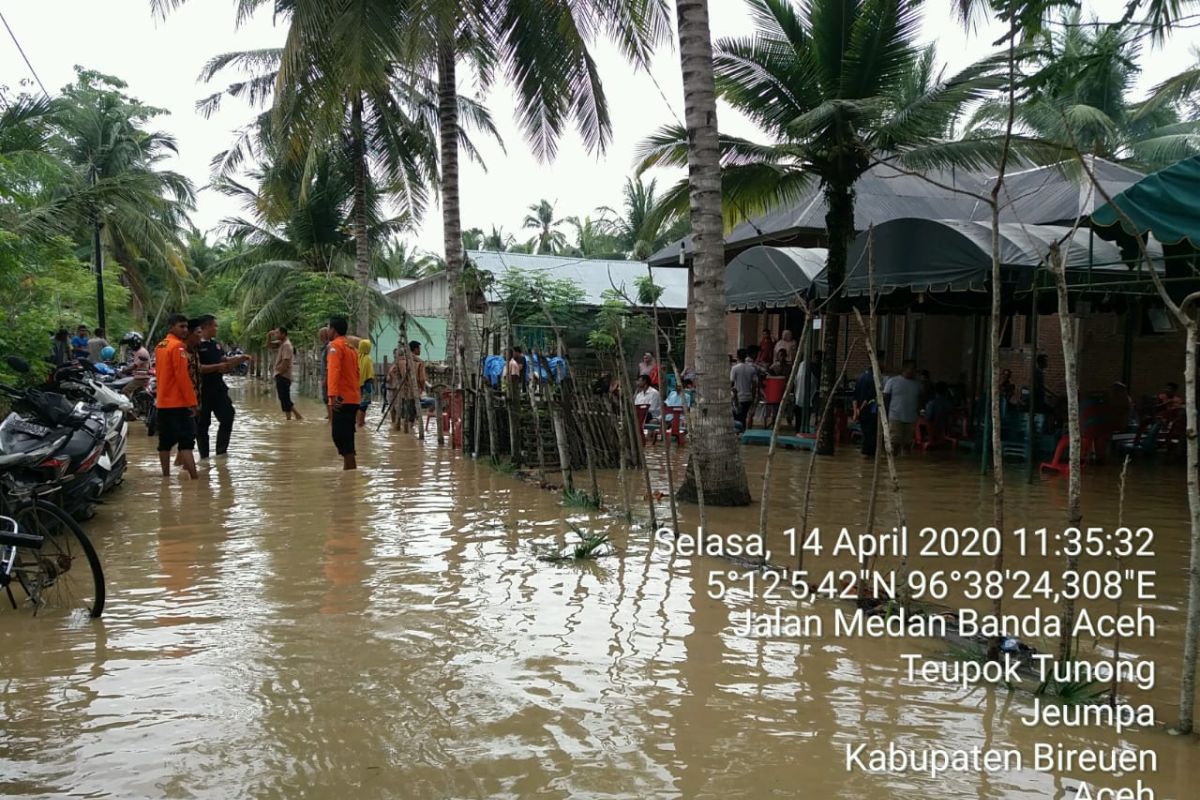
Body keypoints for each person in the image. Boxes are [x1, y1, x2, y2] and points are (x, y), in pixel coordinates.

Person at [196, 315, 249, 459]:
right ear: (206, 327)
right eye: (214, 326)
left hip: (218, 388)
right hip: (202, 390)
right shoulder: (196, 345)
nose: (216, 329)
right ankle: (204, 457)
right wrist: (217, 367)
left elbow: (224, 360)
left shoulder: (216, 344)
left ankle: (221, 452)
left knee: (228, 416)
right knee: (202, 425)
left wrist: (239, 359)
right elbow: (197, 367)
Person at [155, 314, 199, 479]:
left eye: (186, 327)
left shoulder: (160, 345)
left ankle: (165, 478)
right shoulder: (178, 347)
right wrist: (192, 402)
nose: (185, 330)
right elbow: (182, 377)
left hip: (162, 403)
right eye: (182, 326)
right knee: (186, 442)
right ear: (171, 326)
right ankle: (195, 479)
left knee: (164, 443)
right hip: (178, 403)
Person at [326, 317, 361, 470]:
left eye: (328, 328)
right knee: (347, 438)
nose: (327, 331)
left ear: (333, 330)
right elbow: (357, 373)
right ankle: (349, 475)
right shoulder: (351, 348)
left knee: (340, 436)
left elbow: (333, 371)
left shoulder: (336, 346)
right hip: (352, 398)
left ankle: (350, 472)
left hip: (341, 398)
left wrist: (332, 398)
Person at [883, 359, 922, 453]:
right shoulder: (892, 381)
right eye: (911, 368)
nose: (913, 371)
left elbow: (920, 400)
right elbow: (885, 398)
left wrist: (918, 412)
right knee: (894, 443)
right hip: (895, 416)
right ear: (904, 368)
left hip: (911, 417)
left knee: (908, 444)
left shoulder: (917, 385)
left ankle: (906, 465)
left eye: (914, 369)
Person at [272, 327, 302, 420]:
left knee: (285, 399)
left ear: (283, 334)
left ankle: (298, 416)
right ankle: (289, 418)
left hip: (283, 376)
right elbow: (269, 345)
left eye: (277, 333)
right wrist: (268, 336)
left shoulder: (286, 345)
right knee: (283, 399)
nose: (275, 335)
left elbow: (286, 361)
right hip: (282, 375)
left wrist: (279, 373)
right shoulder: (282, 344)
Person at [853, 362, 879, 456]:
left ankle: (865, 456)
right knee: (870, 436)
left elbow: (855, 396)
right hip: (870, 411)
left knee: (865, 434)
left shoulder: (861, 377)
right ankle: (868, 456)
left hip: (862, 411)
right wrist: (860, 409)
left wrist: (855, 411)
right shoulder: (873, 378)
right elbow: (868, 398)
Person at [730, 347, 758, 427]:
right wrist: (752, 397)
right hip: (748, 397)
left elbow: (732, 382)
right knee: (744, 416)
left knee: (738, 418)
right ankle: (744, 431)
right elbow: (754, 385)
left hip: (738, 397)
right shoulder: (751, 369)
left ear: (737, 356)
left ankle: (740, 433)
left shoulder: (734, 368)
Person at [357, 339, 375, 429]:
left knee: (359, 403)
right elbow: (370, 374)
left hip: (358, 384)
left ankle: (358, 422)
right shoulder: (368, 358)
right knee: (364, 404)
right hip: (367, 384)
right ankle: (361, 423)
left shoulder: (357, 357)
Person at [318, 327, 332, 422]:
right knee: (325, 396)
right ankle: (329, 414)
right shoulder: (325, 347)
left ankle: (331, 416)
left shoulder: (328, 347)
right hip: (325, 375)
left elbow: (328, 364)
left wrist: (325, 379)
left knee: (327, 396)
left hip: (327, 376)